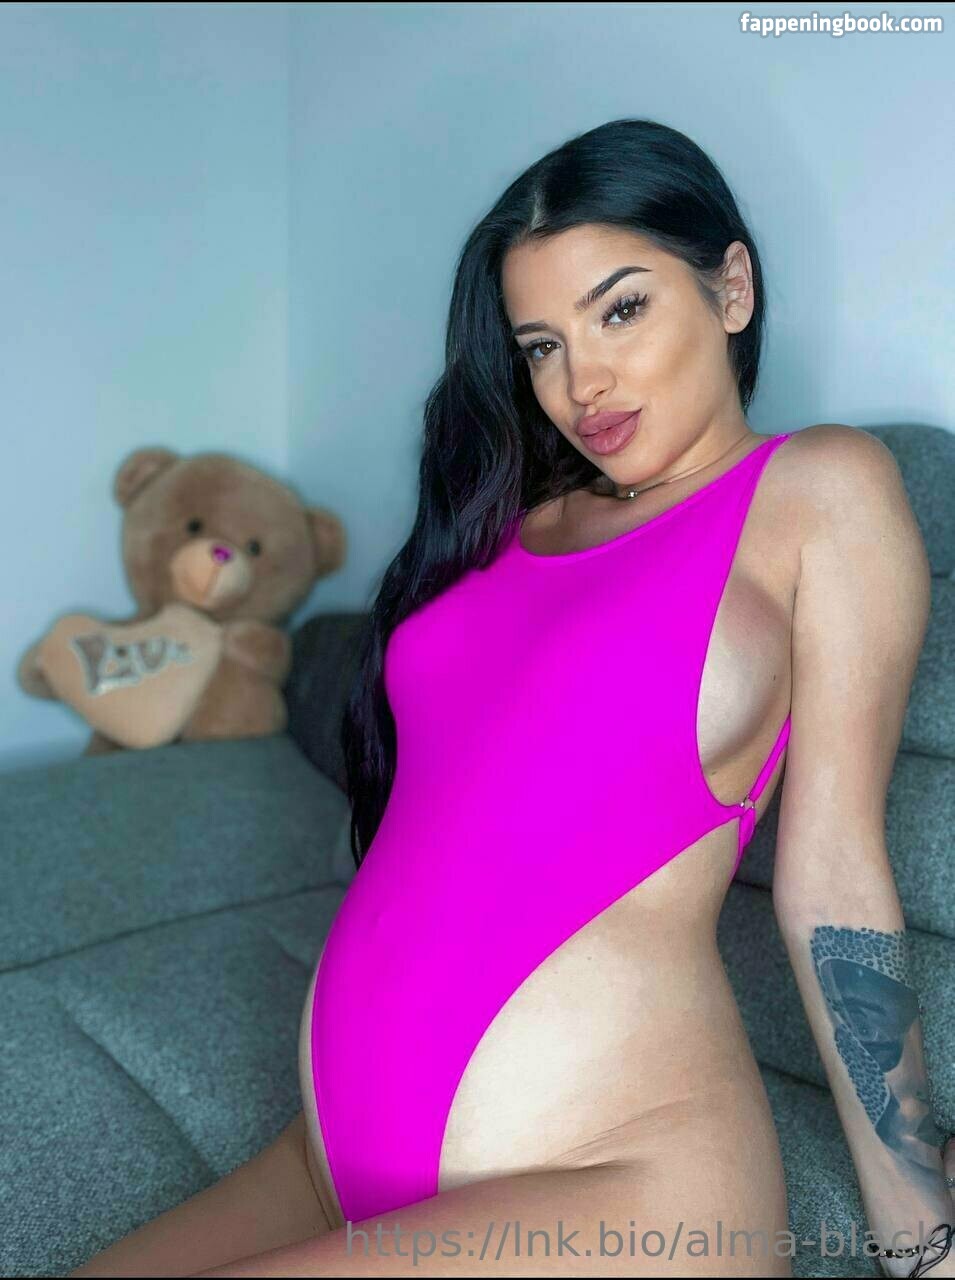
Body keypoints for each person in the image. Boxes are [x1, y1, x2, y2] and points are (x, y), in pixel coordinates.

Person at [70, 119, 955, 1280]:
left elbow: (833, 876)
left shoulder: (819, 489)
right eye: (542, 344)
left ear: (731, 287)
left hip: (618, 1185)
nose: (581, 383)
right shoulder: (503, 521)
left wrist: (921, 1236)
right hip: (327, 1157)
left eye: (620, 309)